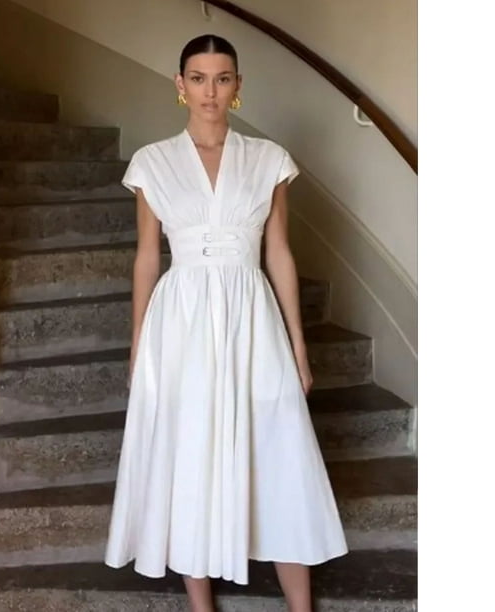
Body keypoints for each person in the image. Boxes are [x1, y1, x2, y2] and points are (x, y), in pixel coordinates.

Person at [104, 34, 348, 612]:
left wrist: (299, 347)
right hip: (180, 321)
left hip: (253, 317)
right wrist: (138, 346)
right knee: (190, 448)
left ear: (238, 85)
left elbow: (279, 253)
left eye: (221, 78)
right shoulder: (153, 162)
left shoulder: (269, 159)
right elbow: (147, 258)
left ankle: (301, 606)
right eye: (198, 78)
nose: (209, 91)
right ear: (180, 84)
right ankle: (201, 604)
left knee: (281, 448)